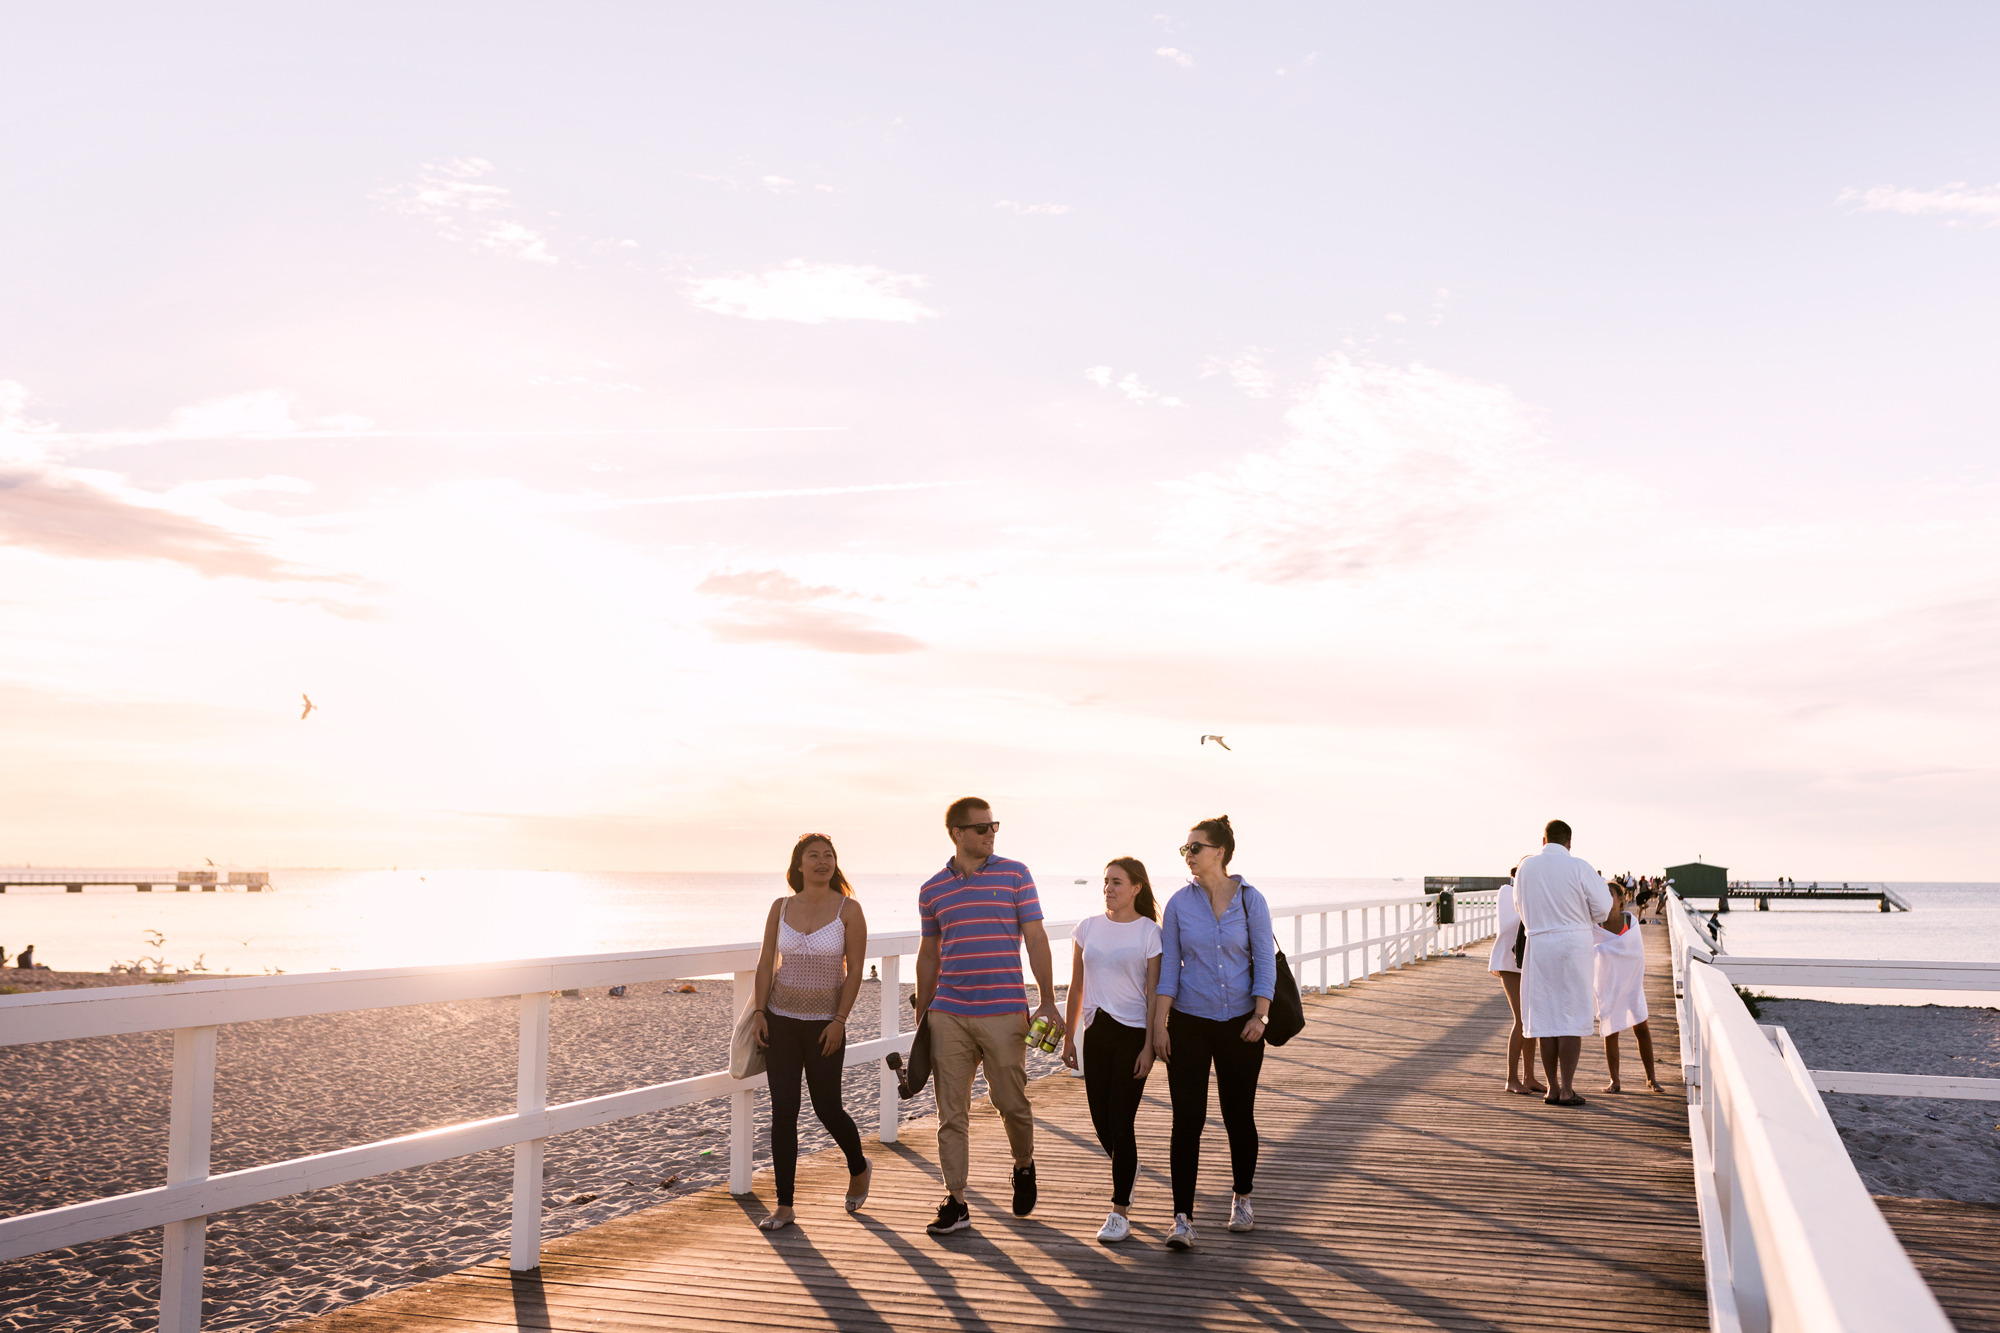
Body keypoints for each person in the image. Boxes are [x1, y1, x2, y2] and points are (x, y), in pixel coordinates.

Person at [916, 797, 1062, 1237]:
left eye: (993, 825)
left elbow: (1035, 938)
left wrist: (1048, 1000)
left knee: (1011, 1103)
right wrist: (925, 1012)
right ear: (957, 833)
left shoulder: (1016, 874)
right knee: (951, 1113)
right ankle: (956, 1201)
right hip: (949, 1013)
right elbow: (928, 953)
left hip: (1004, 1011)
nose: (990, 833)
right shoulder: (931, 890)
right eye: (981, 828)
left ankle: (1023, 1163)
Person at [1152, 815, 1274, 1251]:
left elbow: (1264, 958)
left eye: (1195, 848)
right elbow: (1168, 970)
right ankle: (1181, 1218)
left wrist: (1260, 1017)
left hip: (1241, 1024)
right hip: (1189, 1022)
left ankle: (1242, 1199)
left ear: (1219, 852)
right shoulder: (1179, 904)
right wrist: (1159, 1026)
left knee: (1239, 1115)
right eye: (1185, 849)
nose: (1188, 855)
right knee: (1187, 1119)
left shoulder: (1250, 900)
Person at [747, 833, 871, 1230]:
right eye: (813, 856)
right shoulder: (780, 907)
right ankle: (784, 1205)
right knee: (783, 1112)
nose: (822, 862)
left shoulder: (849, 909)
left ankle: (858, 1165)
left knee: (827, 1108)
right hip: (780, 1020)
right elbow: (767, 962)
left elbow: (854, 973)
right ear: (798, 864)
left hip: (824, 1026)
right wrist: (760, 1012)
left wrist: (839, 1021)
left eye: (829, 856)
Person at [1061, 857, 1163, 1244]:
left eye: (1117, 882)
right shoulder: (1087, 928)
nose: (1108, 888)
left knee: (1121, 1121)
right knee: (1102, 1123)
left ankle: (1120, 1211)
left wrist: (1150, 1046)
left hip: (1132, 1034)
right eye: (1105, 882)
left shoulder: (1150, 933)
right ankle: (1129, 1167)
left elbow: (1155, 993)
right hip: (1096, 1032)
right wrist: (1069, 1037)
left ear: (1136, 887)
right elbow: (1076, 986)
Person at [1515, 820, 1612, 1107]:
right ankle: (1568, 1089)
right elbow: (1604, 908)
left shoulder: (1526, 868)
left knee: (1546, 1018)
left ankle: (1552, 1088)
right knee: (1570, 1017)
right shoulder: (1580, 866)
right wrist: (1583, 916)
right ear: (1569, 842)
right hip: (1573, 944)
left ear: (1543, 839)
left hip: (1539, 944)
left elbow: (1520, 907)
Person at [1594, 881, 1662, 1093]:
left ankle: (1651, 1078)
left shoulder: (1630, 921)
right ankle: (1615, 1081)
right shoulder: (1595, 927)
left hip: (1632, 983)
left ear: (1621, 900)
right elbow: (1588, 952)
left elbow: (1635, 953)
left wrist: (1607, 951)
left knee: (1642, 1028)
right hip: (1609, 984)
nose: (1606, 901)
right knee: (1611, 1031)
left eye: (1610, 896)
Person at [1487, 865, 1544, 1096]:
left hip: (1528, 958)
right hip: (1510, 960)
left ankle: (1528, 1077)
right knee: (1520, 1020)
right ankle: (1511, 1078)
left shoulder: (1530, 895)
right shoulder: (1507, 893)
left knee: (1531, 1022)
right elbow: (1517, 920)